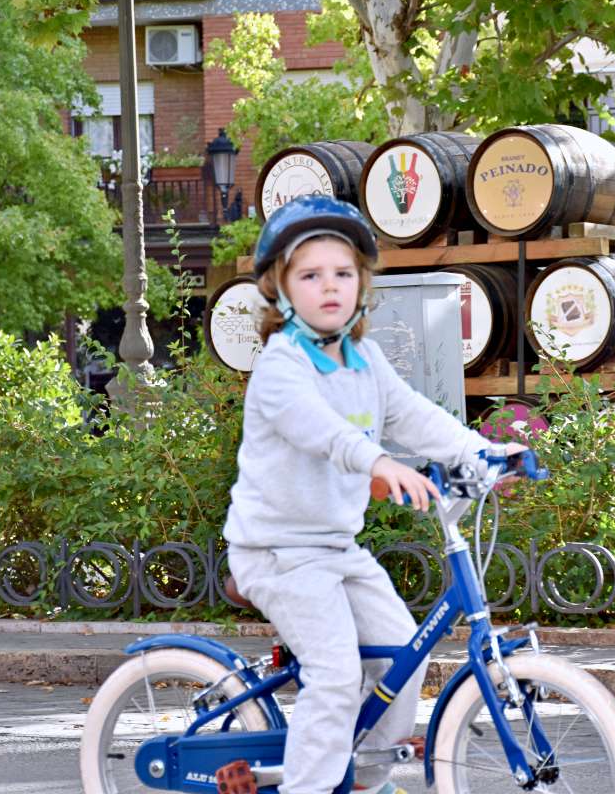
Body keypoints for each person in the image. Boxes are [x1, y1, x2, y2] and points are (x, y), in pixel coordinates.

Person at [223, 196, 521, 794]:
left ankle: (366, 777)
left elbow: (415, 417)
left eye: (343, 273)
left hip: (337, 549)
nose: (329, 286)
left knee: (400, 658)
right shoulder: (282, 366)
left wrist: (482, 455)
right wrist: (381, 462)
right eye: (310, 275)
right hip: (278, 553)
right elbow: (326, 433)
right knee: (335, 674)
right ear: (280, 290)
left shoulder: (365, 359)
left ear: (362, 284)